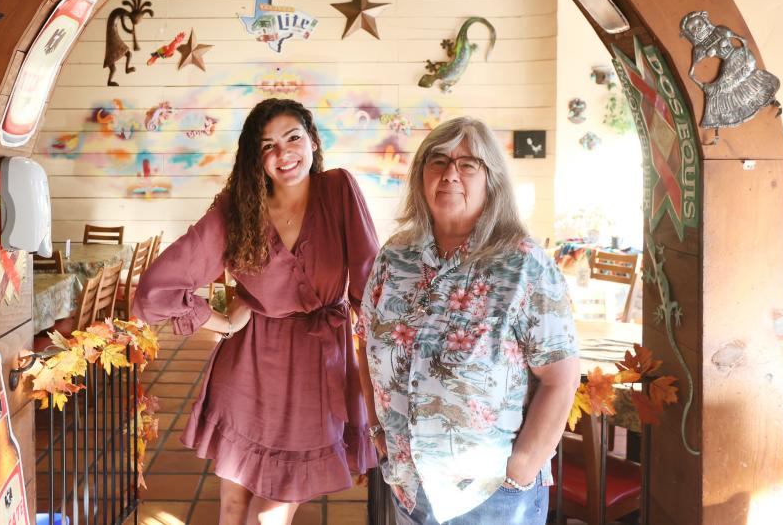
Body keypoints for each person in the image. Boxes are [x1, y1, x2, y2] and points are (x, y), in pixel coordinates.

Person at [133, 98, 379, 525]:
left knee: (268, 515)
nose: (283, 154)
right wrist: (223, 320)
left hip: (317, 370)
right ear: (255, 157)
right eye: (267, 146)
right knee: (233, 507)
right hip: (249, 369)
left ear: (313, 142)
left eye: (293, 138)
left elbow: (369, 281)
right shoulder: (236, 208)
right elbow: (156, 288)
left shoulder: (338, 190)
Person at [356, 117, 579, 525]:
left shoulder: (524, 264)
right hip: (409, 484)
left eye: (467, 164)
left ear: (491, 180)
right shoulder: (395, 256)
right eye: (437, 161)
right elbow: (366, 340)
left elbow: (560, 377)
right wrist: (377, 431)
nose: (449, 174)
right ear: (421, 175)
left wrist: (523, 465)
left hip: (490, 495)